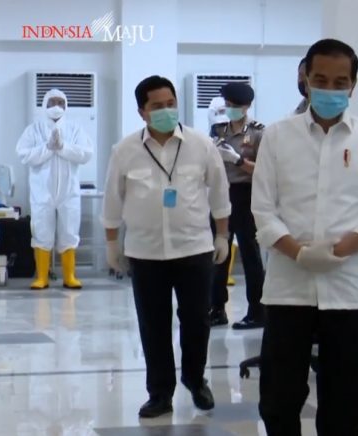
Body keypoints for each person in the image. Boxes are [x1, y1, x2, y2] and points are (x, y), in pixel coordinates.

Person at [252, 38, 358, 436]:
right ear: (305, 78)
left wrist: (339, 250)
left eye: (340, 82)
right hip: (288, 288)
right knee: (278, 399)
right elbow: (263, 210)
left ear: (353, 84)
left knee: (341, 403)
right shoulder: (277, 137)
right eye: (320, 80)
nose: (329, 89)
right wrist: (299, 253)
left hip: (348, 288)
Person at [101, 75, 231, 418]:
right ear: (142, 112)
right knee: (153, 324)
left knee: (197, 320)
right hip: (145, 253)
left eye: (170, 104)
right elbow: (112, 199)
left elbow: (220, 193)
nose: (166, 111)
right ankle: (159, 393)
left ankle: (195, 379)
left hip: (194, 249)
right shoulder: (125, 150)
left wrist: (222, 235)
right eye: (157, 106)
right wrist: (112, 244)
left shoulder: (201, 145)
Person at [16, 88, 93, 290]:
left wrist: (63, 147)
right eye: (52, 102)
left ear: (66, 106)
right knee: (41, 231)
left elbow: (86, 154)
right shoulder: (33, 129)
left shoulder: (75, 129)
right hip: (42, 192)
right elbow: (23, 155)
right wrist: (47, 148)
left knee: (69, 232)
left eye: (60, 102)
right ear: (45, 105)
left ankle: (69, 276)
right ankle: (42, 277)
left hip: (69, 192)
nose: (56, 107)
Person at [208, 82, 267, 330]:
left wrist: (238, 160)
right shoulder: (218, 129)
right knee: (218, 253)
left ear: (247, 106)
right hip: (221, 193)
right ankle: (216, 308)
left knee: (250, 253)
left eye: (234, 105)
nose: (229, 109)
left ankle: (257, 310)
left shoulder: (258, 133)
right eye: (227, 104)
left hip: (246, 195)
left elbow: (265, 171)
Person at [207, 96, 238, 288]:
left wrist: (236, 159)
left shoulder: (252, 132)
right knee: (216, 246)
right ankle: (216, 299)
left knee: (245, 247)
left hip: (240, 194)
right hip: (213, 199)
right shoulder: (205, 143)